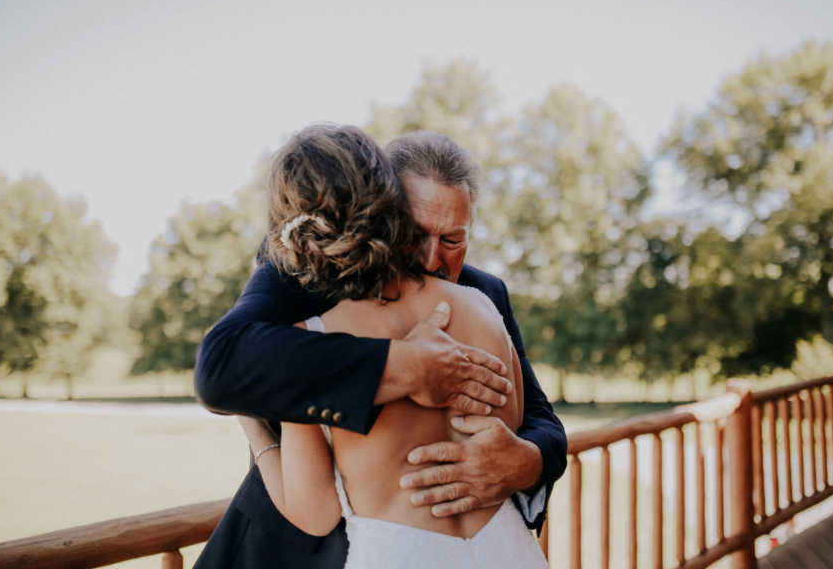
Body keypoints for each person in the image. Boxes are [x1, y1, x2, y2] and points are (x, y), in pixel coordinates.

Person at [193, 129, 566, 568]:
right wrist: (405, 366)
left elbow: (541, 417)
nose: (431, 260)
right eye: (415, 233)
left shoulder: (486, 294)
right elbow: (221, 366)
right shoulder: (300, 278)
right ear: (384, 211)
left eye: (452, 240)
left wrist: (528, 461)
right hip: (300, 554)